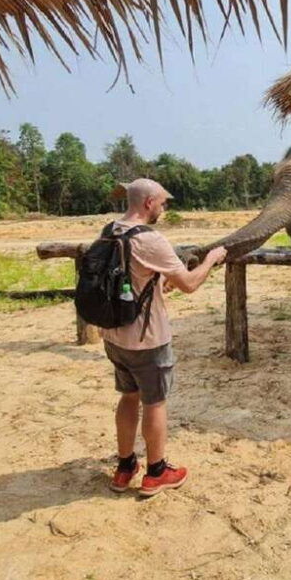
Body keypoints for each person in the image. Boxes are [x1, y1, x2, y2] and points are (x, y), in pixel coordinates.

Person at [101, 178, 227, 497]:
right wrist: (212, 259)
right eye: (162, 203)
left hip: (114, 335)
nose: (164, 208)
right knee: (154, 402)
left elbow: (127, 274)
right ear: (148, 203)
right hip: (147, 339)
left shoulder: (109, 231)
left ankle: (125, 466)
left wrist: (157, 283)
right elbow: (189, 284)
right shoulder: (151, 239)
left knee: (128, 396)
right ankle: (157, 471)